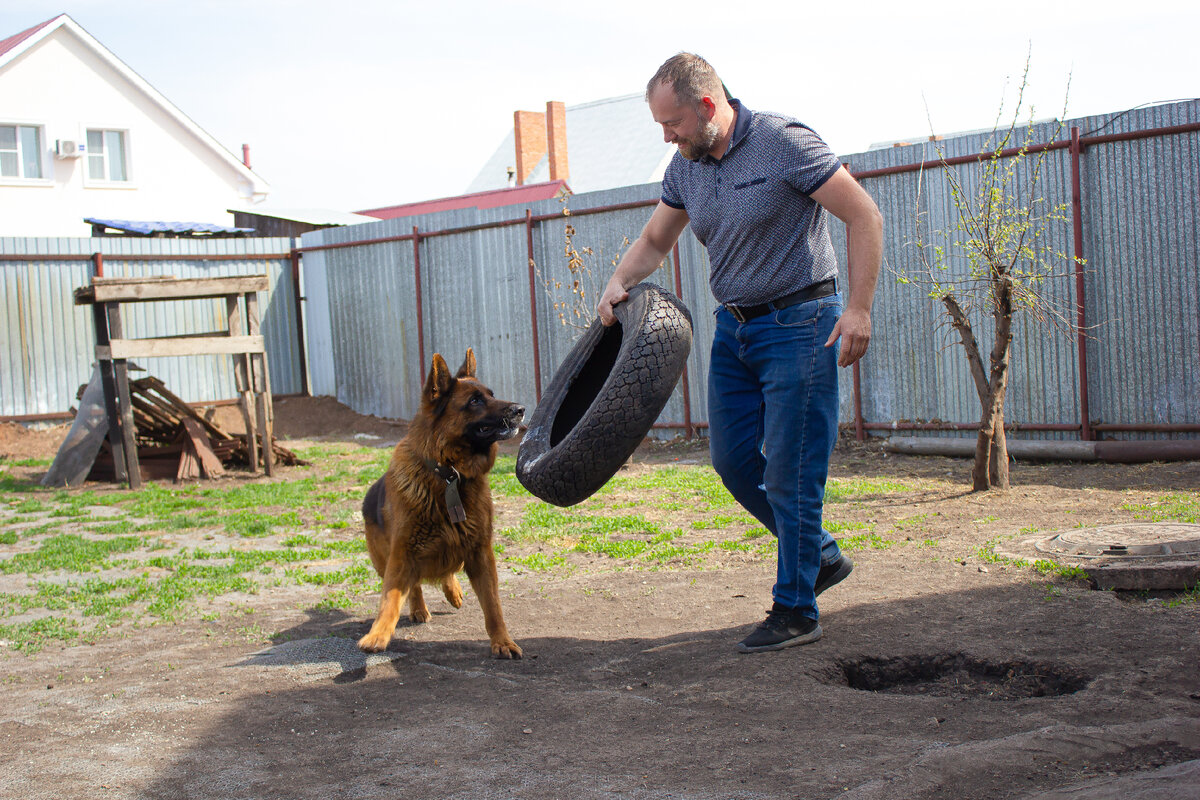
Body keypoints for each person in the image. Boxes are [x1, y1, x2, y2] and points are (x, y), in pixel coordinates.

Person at [598, 52, 883, 653]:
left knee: (791, 469)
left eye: (671, 123)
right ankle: (820, 555)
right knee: (732, 463)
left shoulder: (783, 142)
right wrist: (619, 281)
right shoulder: (687, 166)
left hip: (803, 324)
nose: (666, 136)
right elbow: (656, 238)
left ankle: (796, 610)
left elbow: (864, 215)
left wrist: (857, 309)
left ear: (707, 105)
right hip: (736, 331)